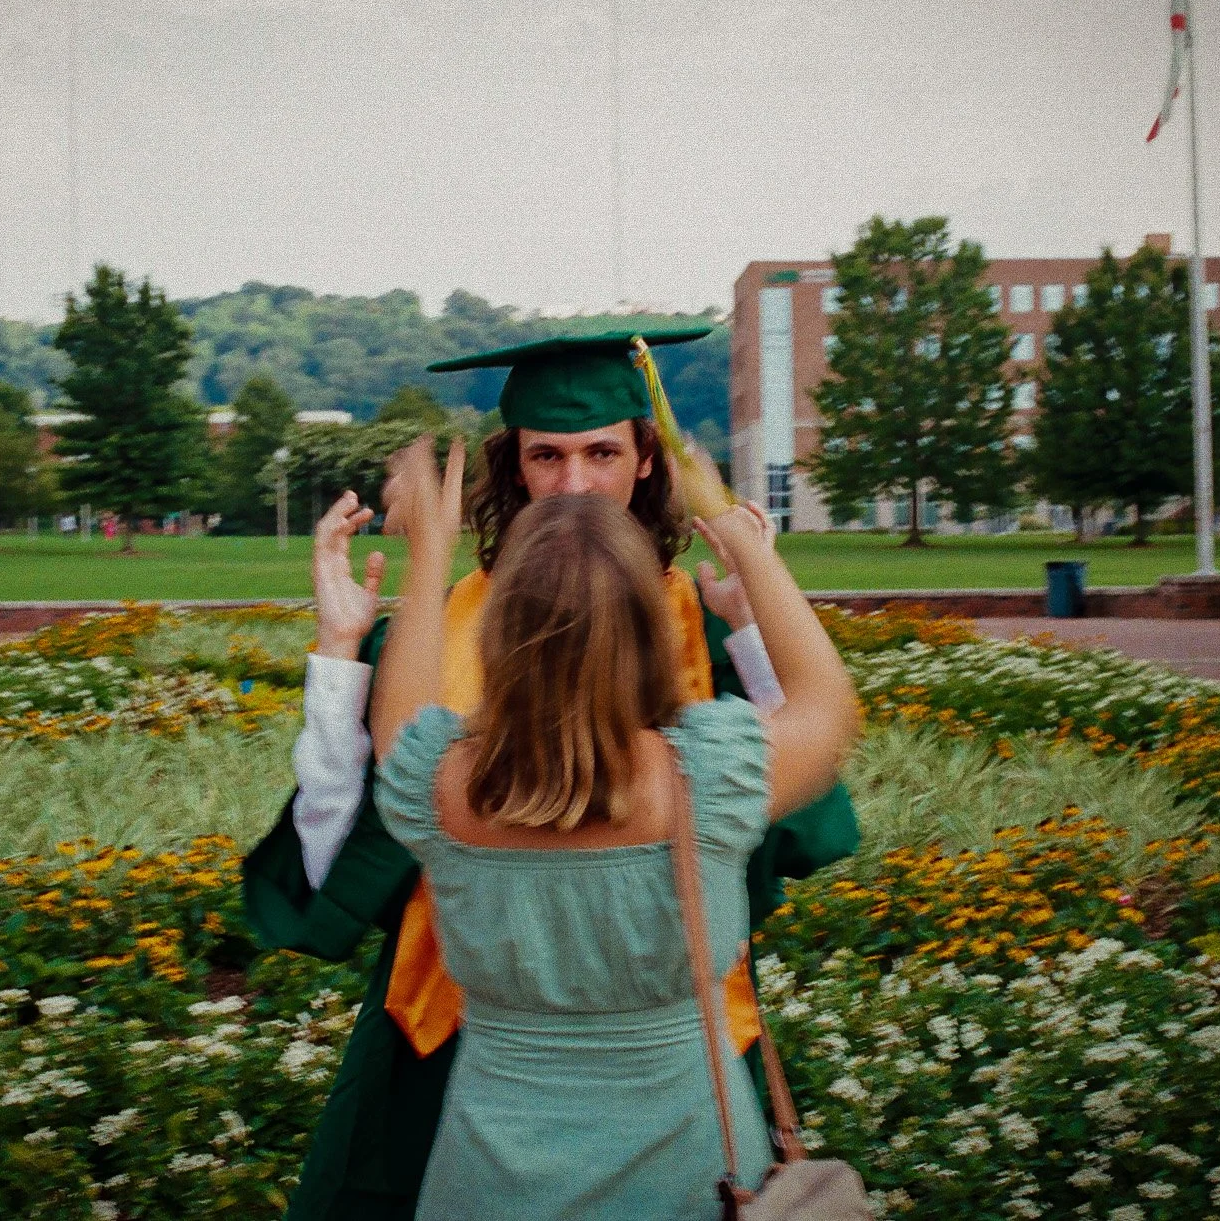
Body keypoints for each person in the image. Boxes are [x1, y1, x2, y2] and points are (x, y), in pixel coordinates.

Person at [242, 329, 859, 1220]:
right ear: (514, 467)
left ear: (647, 462)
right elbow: (819, 729)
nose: (574, 485)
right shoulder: (713, 757)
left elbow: (401, 753)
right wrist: (744, 541)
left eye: (602, 452)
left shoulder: (442, 746)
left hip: (501, 1122)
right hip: (451, 1031)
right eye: (547, 456)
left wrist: (416, 570)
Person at [367, 443, 859, 1218]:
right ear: (649, 626)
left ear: (497, 628)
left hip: (490, 1181)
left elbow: (396, 711)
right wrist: (735, 531)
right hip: (693, 1175)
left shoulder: (437, 783)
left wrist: (428, 554)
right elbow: (829, 709)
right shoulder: (710, 776)